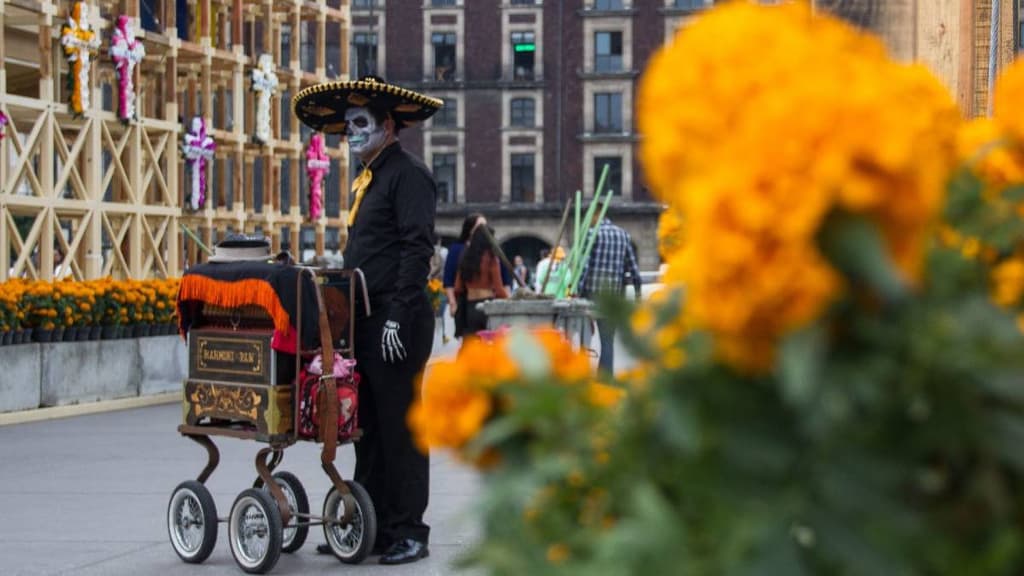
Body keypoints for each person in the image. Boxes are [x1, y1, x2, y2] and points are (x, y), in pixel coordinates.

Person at [294, 75, 443, 565]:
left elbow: (416, 249)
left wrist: (399, 316)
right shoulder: (372, 176)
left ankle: (409, 531)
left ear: (387, 125)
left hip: (396, 321)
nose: (351, 134)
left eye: (360, 124)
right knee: (370, 429)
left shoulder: (408, 174)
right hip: (368, 318)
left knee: (400, 428)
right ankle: (372, 524)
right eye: (346, 128)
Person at [577, 215, 641, 373]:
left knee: (585, 337)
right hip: (612, 295)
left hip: (590, 294)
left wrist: (576, 291)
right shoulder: (623, 235)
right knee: (607, 341)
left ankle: (580, 373)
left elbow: (584, 267)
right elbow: (634, 269)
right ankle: (606, 378)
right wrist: (638, 293)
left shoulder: (592, 234)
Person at [455, 225, 509, 339]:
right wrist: (509, 301)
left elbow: (458, 288)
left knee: (472, 346)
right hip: (487, 306)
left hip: (469, 308)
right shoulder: (491, 258)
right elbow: (499, 289)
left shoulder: (465, 256)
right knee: (490, 344)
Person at [443, 213, 486, 332]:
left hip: (488, 302)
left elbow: (504, 280)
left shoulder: (489, 250)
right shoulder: (456, 250)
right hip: (464, 301)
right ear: (470, 229)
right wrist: (452, 303)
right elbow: (449, 280)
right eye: (479, 227)